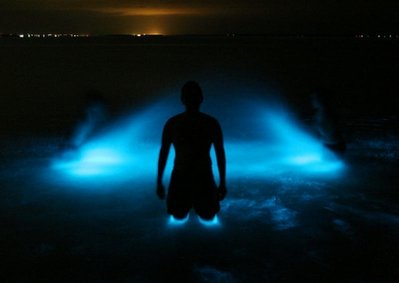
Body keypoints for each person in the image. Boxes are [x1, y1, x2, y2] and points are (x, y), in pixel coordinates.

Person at [157, 81, 227, 221]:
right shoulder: (210, 123)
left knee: (182, 216)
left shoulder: (173, 123)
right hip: (198, 174)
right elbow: (220, 153)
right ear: (202, 98)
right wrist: (223, 183)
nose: (192, 99)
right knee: (204, 216)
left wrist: (159, 181)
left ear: (182, 99)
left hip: (187, 174)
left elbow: (164, 153)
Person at [311, 89, 346, 154]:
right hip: (329, 145)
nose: (313, 101)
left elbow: (330, 130)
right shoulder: (320, 113)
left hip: (334, 145)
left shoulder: (327, 113)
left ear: (321, 100)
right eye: (313, 98)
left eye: (315, 99)